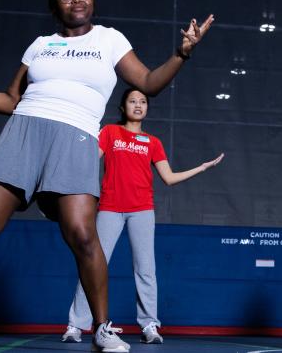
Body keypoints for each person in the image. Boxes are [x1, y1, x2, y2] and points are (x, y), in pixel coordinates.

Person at [0, 0, 214, 353]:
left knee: (83, 237)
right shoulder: (39, 45)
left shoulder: (109, 40)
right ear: (55, 7)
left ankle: (101, 328)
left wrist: (182, 53)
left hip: (76, 137)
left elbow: (148, 82)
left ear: (92, 2)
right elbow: (11, 99)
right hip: (23, 133)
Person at [61, 88, 224, 345]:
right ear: (123, 106)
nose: (138, 105)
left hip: (142, 211)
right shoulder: (110, 133)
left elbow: (168, 178)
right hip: (110, 208)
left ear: (146, 107)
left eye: (142, 101)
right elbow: (88, 160)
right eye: (132, 101)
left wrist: (201, 168)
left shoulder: (153, 142)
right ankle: (76, 325)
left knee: (146, 270)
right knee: (93, 266)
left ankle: (150, 326)